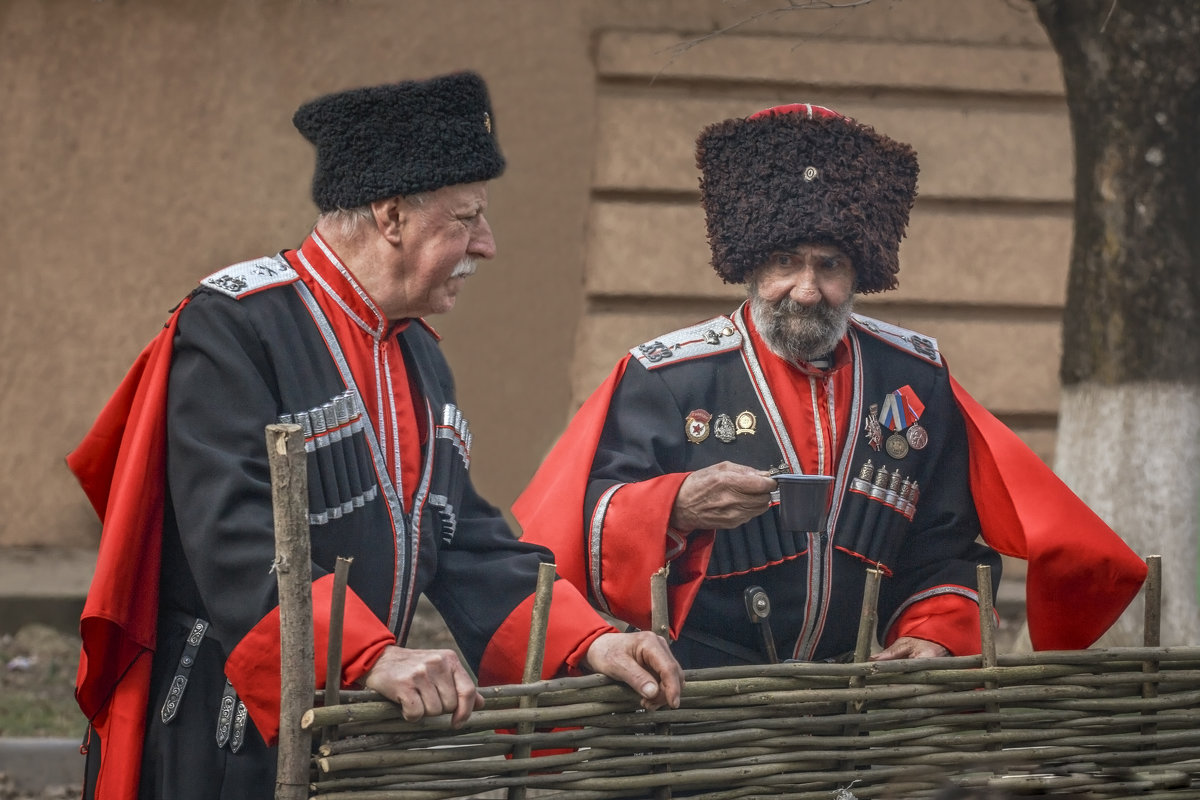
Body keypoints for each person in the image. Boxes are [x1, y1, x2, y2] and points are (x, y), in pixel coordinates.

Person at [67, 72, 683, 800]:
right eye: (466, 218)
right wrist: (367, 658)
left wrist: (590, 641)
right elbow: (231, 537)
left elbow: (461, 540)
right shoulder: (233, 326)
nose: (486, 244)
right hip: (222, 733)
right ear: (392, 218)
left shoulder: (419, 353)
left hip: (343, 728)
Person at [514, 102, 1147, 669]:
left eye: (830, 265)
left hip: (853, 703)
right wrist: (675, 505)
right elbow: (576, 528)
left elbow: (942, 541)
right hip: (695, 695)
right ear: (750, 263)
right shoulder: (667, 375)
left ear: (860, 270)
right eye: (784, 261)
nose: (807, 290)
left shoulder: (915, 376)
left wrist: (931, 636)